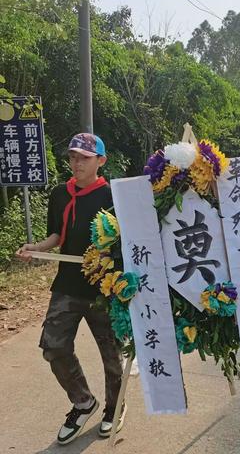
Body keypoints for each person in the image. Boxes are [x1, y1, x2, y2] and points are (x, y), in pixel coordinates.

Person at [16, 133, 125, 445]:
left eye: (84, 158)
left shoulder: (113, 196)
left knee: (110, 353)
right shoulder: (59, 194)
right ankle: (83, 402)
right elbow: (56, 236)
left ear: (100, 162)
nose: (76, 163)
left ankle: (114, 407)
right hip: (67, 284)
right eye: (73, 157)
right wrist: (35, 248)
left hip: (104, 288)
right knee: (54, 346)